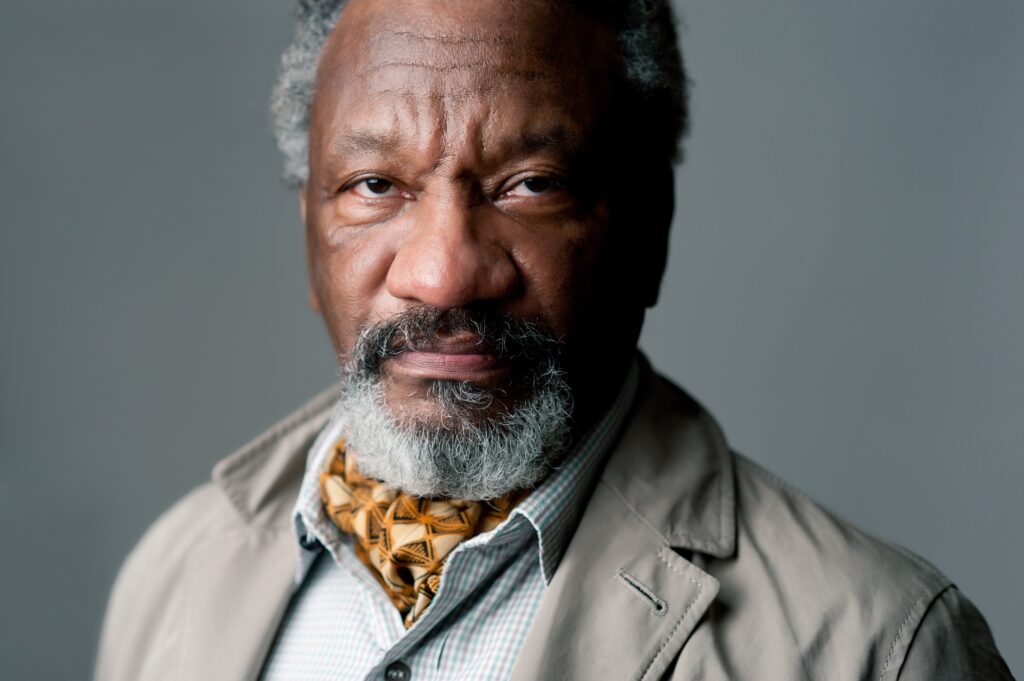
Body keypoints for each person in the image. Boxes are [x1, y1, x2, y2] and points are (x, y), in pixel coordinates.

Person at [95, 1, 1013, 679]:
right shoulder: (174, 578)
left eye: (530, 184)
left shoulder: (878, 647)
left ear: (649, 228)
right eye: (376, 186)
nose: (445, 273)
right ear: (308, 235)